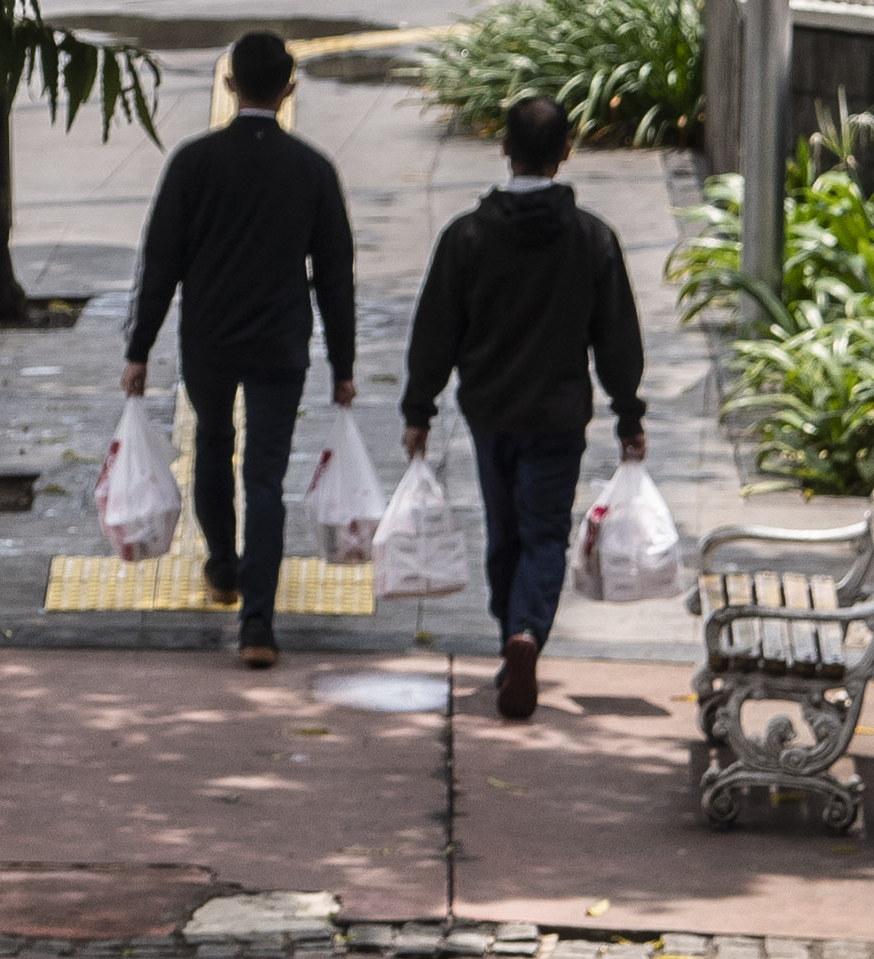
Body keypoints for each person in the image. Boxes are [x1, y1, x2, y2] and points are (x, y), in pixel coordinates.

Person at [399, 91, 650, 722]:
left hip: (490, 412)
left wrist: (418, 410)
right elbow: (617, 336)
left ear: (504, 148)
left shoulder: (467, 237)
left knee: (504, 531)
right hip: (559, 415)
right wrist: (628, 413)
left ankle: (509, 635)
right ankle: (528, 633)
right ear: (566, 153)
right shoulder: (593, 239)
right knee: (544, 534)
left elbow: (436, 331)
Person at [121, 31, 359, 672]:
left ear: (229, 87)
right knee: (265, 478)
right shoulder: (312, 170)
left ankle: (222, 568)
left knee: (211, 447)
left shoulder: (193, 163)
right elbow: (335, 274)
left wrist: (138, 347)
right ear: (288, 88)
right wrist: (344, 364)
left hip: (210, 338)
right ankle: (258, 622)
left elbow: (161, 262)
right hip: (281, 341)